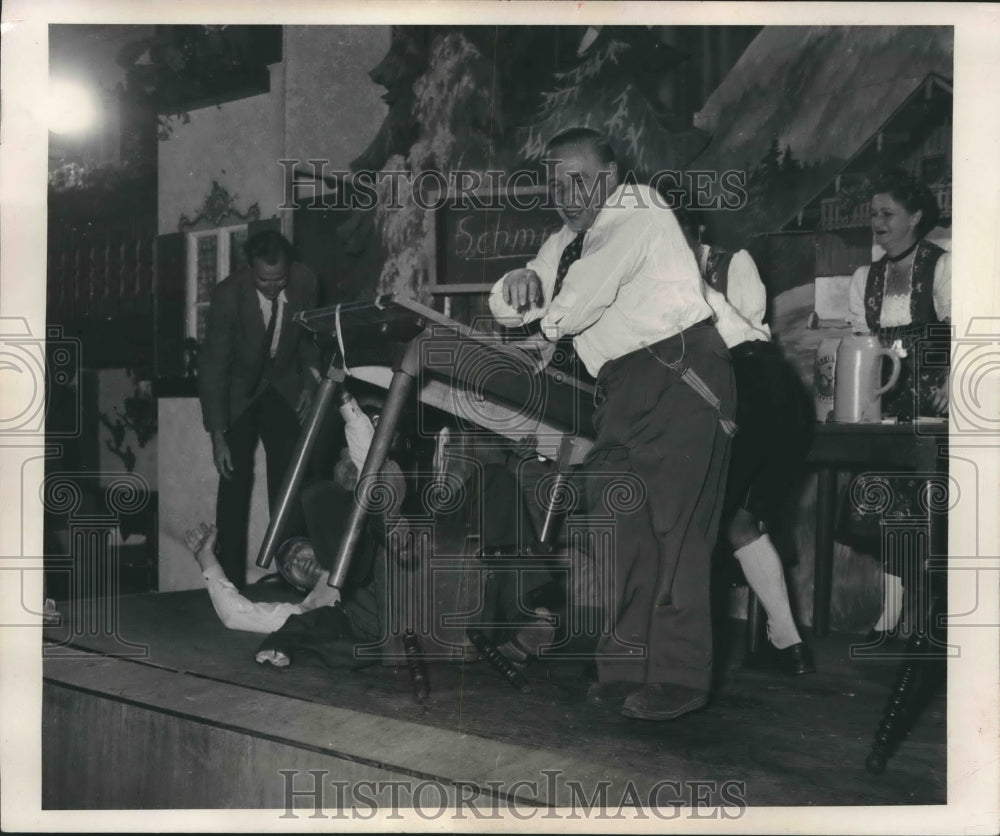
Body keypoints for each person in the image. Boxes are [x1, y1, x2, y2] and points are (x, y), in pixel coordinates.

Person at [489, 127, 735, 721]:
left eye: (579, 179)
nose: (567, 193)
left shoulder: (638, 208)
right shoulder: (566, 241)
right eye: (555, 183)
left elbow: (576, 303)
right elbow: (514, 297)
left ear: (611, 174)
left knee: (679, 533)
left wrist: (537, 316)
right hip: (621, 390)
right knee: (619, 529)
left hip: (681, 374)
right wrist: (513, 287)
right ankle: (624, 666)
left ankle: (679, 677)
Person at [680, 214, 815, 674]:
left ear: (695, 232)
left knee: (697, 519)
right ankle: (789, 642)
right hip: (763, 393)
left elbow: (738, 338)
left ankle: (685, 652)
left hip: (754, 386)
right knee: (738, 522)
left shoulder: (731, 264)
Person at [846, 169, 951, 639]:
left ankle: (931, 619)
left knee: (928, 513)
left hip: (931, 406)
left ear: (916, 216)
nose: (876, 221)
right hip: (882, 405)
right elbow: (859, 342)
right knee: (884, 505)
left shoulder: (943, 267)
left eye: (887, 213)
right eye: (872, 214)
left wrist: (954, 376)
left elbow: (968, 331)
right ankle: (890, 618)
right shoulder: (865, 278)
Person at [197, 229, 320, 589]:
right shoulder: (226, 295)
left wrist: (310, 386)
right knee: (234, 480)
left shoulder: (305, 281)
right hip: (237, 391)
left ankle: (291, 574)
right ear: (250, 268)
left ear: (290, 269)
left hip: (281, 386)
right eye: (263, 280)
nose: (272, 288)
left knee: (289, 480)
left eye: (279, 279)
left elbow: (312, 341)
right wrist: (217, 437)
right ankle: (228, 582)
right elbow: (214, 368)